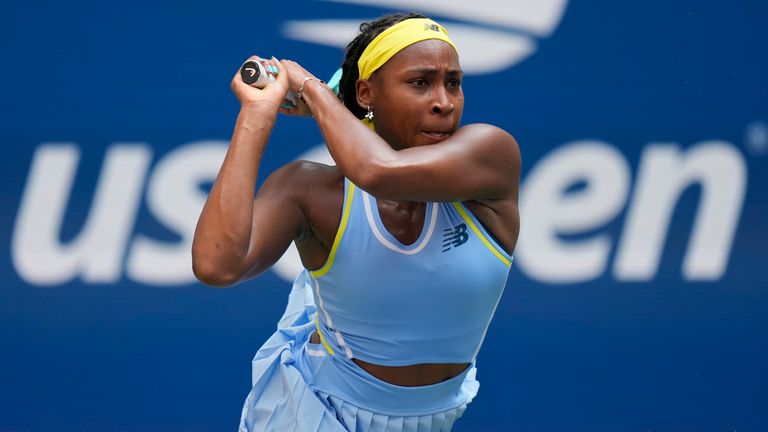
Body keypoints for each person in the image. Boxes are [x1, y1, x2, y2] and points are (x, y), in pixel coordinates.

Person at [192, 12, 521, 432]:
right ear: (366, 93)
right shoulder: (312, 192)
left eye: (452, 82)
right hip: (310, 415)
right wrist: (258, 114)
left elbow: (378, 169)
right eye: (420, 83)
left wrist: (311, 90)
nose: (444, 101)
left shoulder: (491, 155)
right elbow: (217, 265)